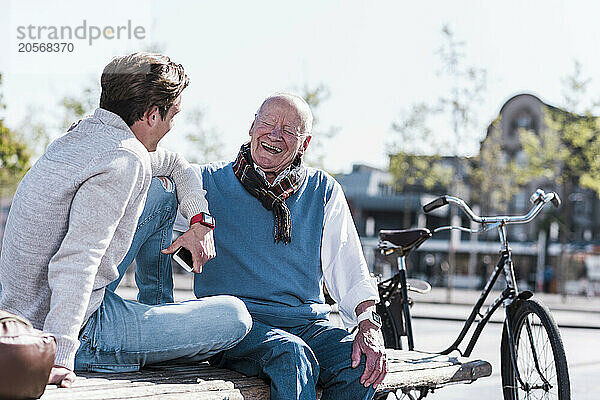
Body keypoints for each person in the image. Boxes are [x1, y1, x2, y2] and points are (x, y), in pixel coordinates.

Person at [0, 53, 251, 388]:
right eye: (173, 115)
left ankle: (156, 310)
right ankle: (140, 343)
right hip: (74, 329)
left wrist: (199, 221)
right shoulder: (124, 158)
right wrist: (60, 354)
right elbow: (77, 259)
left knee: (162, 193)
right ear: (150, 115)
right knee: (235, 316)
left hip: (38, 307)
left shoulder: (87, 134)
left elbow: (177, 165)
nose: (173, 125)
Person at [172, 93, 386, 399]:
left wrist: (368, 325)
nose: (274, 135)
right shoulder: (202, 182)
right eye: (268, 122)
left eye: (288, 130)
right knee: (291, 357)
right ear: (252, 126)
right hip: (235, 326)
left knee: (360, 366)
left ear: (305, 144)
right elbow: (153, 218)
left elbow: (349, 266)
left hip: (307, 324)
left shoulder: (322, 190)